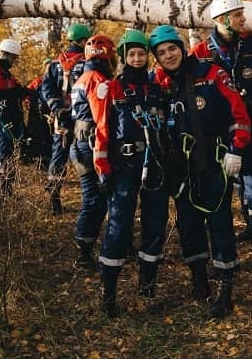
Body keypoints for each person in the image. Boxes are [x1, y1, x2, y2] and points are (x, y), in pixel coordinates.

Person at [149, 24, 251, 318]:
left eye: (172, 49)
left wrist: (237, 148)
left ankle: (224, 286)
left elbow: (238, 113)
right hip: (181, 167)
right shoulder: (162, 85)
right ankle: (199, 279)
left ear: (181, 48)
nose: (168, 56)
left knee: (219, 222)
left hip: (215, 161)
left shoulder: (211, 73)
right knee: (188, 223)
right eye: (162, 52)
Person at [191, 0, 252, 283]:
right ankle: (223, 257)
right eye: (238, 16)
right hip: (216, 135)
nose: (243, 20)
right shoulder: (200, 52)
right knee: (221, 193)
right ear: (221, 20)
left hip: (251, 128)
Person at [98, 29, 166, 317]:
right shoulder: (111, 88)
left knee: (155, 222)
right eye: (132, 54)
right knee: (119, 224)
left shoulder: (156, 89)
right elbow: (102, 130)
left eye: (141, 54)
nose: (137, 59)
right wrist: (102, 168)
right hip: (124, 166)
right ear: (124, 57)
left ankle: (147, 285)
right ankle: (108, 293)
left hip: (155, 165)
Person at [69, 35, 117, 273]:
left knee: (94, 199)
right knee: (95, 200)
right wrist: (103, 161)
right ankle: (84, 253)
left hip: (79, 144)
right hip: (91, 147)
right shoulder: (98, 81)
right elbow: (103, 123)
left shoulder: (81, 78)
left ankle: (87, 249)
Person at [41, 23, 93, 215]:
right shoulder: (88, 62)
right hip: (83, 117)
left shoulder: (55, 63)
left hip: (61, 118)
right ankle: (91, 194)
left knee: (59, 154)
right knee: (87, 153)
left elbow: (45, 87)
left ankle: (54, 194)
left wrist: (55, 107)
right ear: (82, 41)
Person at [0, 38, 26, 196]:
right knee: (2, 152)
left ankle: (8, 189)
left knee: (10, 152)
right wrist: (15, 88)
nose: (13, 61)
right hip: (0, 118)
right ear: (6, 55)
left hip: (11, 117)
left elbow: (13, 88)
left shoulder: (4, 72)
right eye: (13, 58)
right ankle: (2, 191)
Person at [22, 58, 53, 170]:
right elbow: (25, 95)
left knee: (50, 141)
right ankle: (36, 166)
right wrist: (29, 105)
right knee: (35, 140)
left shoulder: (56, 82)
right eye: (48, 67)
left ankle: (48, 166)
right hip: (36, 117)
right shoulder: (37, 82)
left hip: (51, 117)